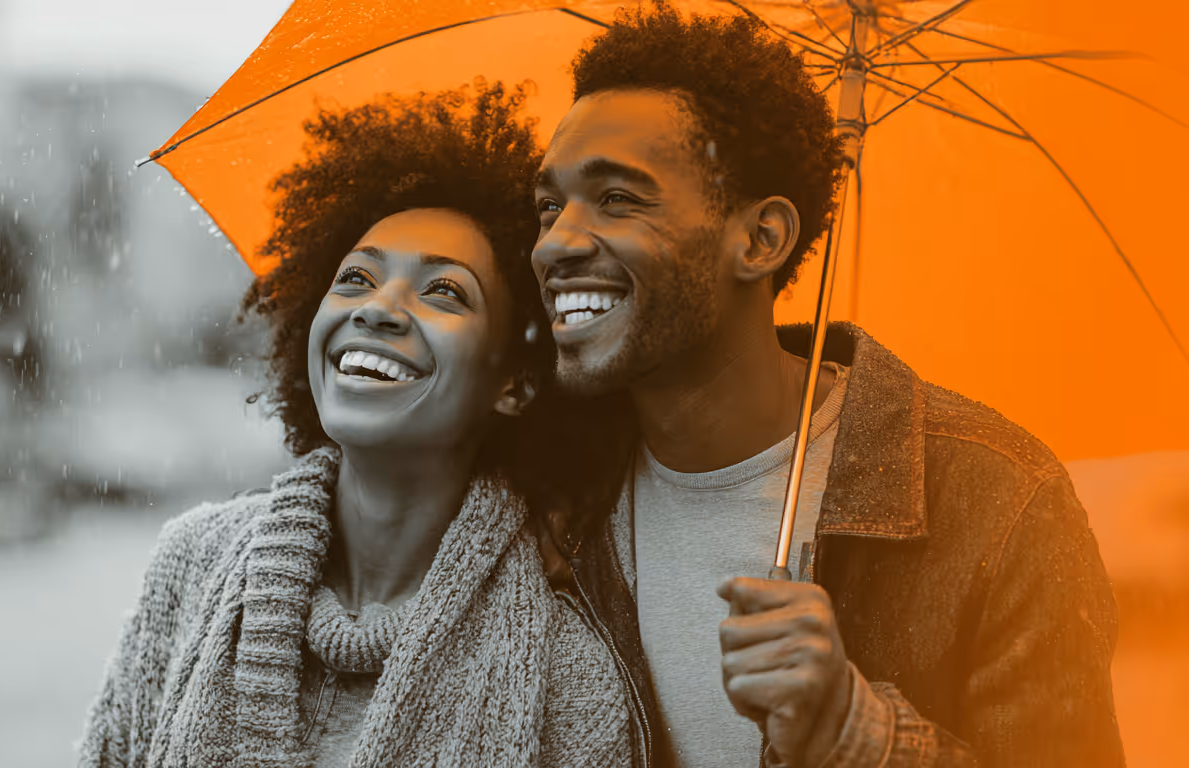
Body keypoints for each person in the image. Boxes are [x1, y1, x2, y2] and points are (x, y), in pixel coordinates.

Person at [528, 5, 1125, 768]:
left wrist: (856, 735)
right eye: (549, 206)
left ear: (760, 239)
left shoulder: (999, 500)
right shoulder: (552, 494)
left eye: (618, 199)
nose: (556, 244)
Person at [77, 83, 631, 768]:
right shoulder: (190, 567)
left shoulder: (570, 679)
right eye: (355, 279)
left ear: (514, 384)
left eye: (444, 291)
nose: (379, 308)